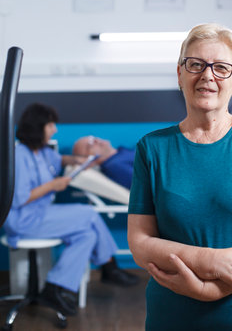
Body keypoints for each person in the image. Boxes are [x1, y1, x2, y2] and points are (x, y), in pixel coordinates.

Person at [127, 23, 232, 331]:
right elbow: (139, 242)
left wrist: (212, 289)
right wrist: (212, 261)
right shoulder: (152, 148)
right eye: (195, 64)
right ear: (179, 74)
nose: (207, 76)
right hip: (175, 316)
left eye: (221, 68)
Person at [3, 103, 138, 317]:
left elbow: (59, 160)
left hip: (40, 216)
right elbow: (19, 198)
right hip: (23, 221)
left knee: (86, 236)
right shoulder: (20, 155)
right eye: (50, 125)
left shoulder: (42, 152)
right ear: (39, 127)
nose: (55, 129)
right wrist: (53, 185)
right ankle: (109, 266)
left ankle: (54, 288)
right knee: (88, 213)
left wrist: (76, 160)